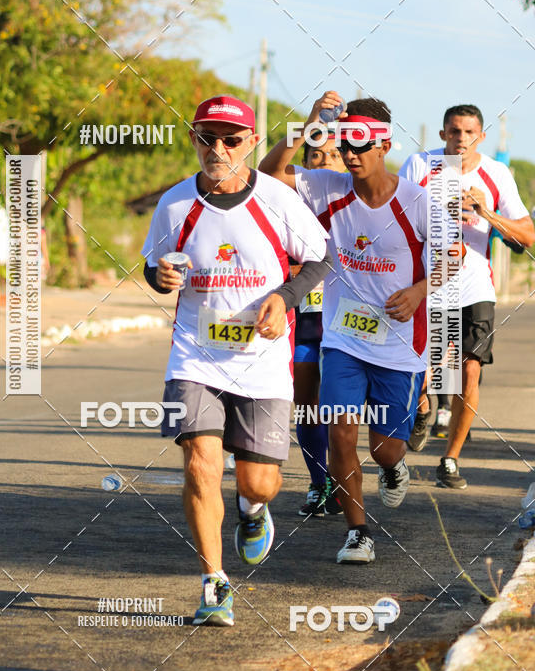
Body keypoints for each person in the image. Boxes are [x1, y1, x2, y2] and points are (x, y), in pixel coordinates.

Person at [142, 94, 331, 625]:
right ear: (193, 139)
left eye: (230, 139)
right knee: (201, 465)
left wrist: (284, 298)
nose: (217, 149)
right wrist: (161, 278)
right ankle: (214, 586)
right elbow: (153, 268)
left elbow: (320, 259)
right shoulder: (175, 204)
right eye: (207, 137)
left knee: (257, 482)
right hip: (194, 357)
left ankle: (253, 512)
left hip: (264, 361)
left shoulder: (277, 199)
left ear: (251, 142)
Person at [260, 91, 462, 564]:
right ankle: (358, 532)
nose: (349, 154)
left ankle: (394, 468)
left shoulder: (418, 202)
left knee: (386, 449)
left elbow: (454, 255)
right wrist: (308, 122)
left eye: (358, 144)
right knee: (341, 435)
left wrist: (418, 291)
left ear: (383, 145)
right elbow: (269, 177)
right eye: (342, 144)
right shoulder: (328, 188)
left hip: (398, 344)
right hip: (343, 339)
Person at [400, 104, 535, 488]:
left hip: (475, 286)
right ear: (442, 134)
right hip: (426, 283)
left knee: (469, 371)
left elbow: (526, 236)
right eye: (454, 132)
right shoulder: (419, 166)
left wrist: (486, 213)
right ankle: (423, 408)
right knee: (421, 372)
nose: (461, 139)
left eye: (469, 133)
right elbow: (396, 220)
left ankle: (451, 458)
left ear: (481, 136)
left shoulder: (495, 173)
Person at [292, 130, 346, 517]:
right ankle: (319, 482)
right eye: (315, 155)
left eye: (332, 155)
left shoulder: (358, 200)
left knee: (343, 409)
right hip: (305, 317)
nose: (324, 161)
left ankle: (345, 477)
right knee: (307, 404)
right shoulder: (287, 203)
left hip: (350, 320)